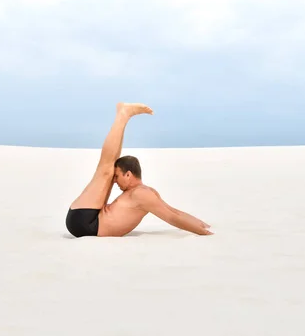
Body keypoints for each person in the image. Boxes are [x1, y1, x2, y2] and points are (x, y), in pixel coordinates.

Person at [65, 102, 213, 237]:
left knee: (106, 169)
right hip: (88, 220)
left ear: (128, 174)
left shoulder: (142, 194)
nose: (114, 181)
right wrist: (200, 227)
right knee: (107, 168)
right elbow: (174, 213)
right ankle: (123, 115)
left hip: (86, 223)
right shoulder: (145, 192)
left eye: (117, 176)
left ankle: (123, 115)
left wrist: (201, 228)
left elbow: (173, 215)